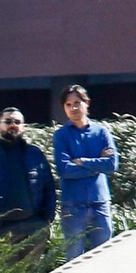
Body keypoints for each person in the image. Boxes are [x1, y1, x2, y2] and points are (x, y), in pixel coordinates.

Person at [51, 84, 119, 259]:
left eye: (77, 102)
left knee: (104, 257)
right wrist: (97, 165)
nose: (73, 108)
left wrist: (82, 162)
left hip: (100, 203)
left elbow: (111, 165)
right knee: (73, 259)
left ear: (86, 103)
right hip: (72, 206)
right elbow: (64, 169)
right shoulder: (61, 135)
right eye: (68, 104)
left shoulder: (101, 132)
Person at [0, 107, 57, 242]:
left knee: (33, 264)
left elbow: (48, 187)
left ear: (24, 127)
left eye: (17, 122)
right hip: (0, 231)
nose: (13, 125)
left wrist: (47, 218)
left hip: (34, 228)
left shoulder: (35, 154)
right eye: (8, 121)